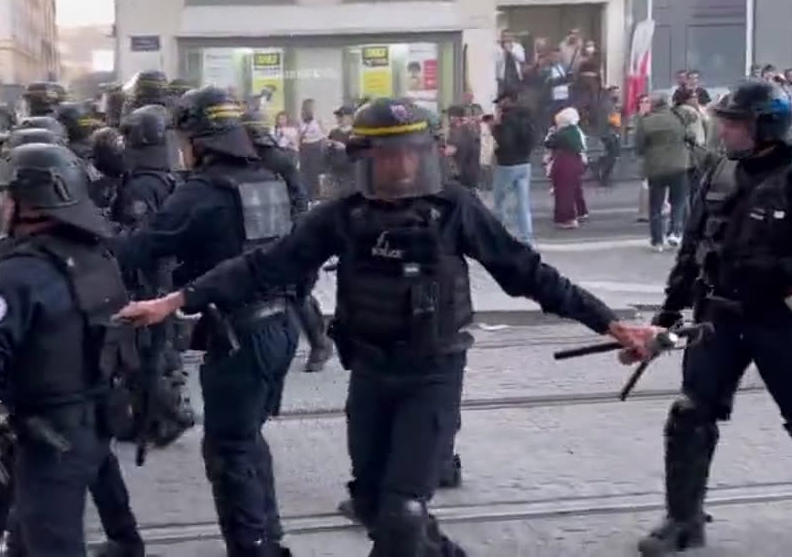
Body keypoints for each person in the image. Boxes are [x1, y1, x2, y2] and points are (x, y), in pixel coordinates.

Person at [119, 96, 661, 557]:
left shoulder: (454, 208)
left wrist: (610, 324)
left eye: (412, 154)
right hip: (372, 376)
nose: (401, 168)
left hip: (434, 373)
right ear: (364, 159)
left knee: (402, 513)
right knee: (376, 508)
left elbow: (528, 274)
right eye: (387, 156)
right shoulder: (345, 214)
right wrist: (179, 298)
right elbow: (266, 265)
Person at [636, 80, 792, 555]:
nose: (725, 131)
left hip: (784, 320)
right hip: (717, 318)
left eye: (735, 123)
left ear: (766, 126)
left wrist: (782, 272)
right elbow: (692, 248)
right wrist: (669, 310)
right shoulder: (718, 172)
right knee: (690, 414)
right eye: (724, 121)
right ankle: (683, 520)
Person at [112, 87, 299, 557]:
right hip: (279, 326)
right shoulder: (266, 178)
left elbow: (141, 247)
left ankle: (253, 549)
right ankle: (268, 540)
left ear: (199, 140)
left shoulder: (202, 193)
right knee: (247, 440)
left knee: (228, 451)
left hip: (240, 336)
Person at [0, 142, 143, 555]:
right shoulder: (98, 255)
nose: (3, 206)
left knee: (51, 544)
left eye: (9, 197)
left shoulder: (18, 274)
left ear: (33, 203)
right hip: (97, 418)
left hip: (50, 436)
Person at [107, 104, 196, 447]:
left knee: (147, 355)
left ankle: (173, 415)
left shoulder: (142, 185)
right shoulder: (166, 176)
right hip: (164, 274)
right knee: (156, 349)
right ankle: (151, 419)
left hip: (147, 278)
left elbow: (138, 237)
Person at [243, 108, 333, 373]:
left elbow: (298, 198)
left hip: (284, 233)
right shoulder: (254, 159)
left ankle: (319, 342)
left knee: (296, 292)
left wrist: (293, 230)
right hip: (262, 232)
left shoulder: (276, 160)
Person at [635, 94, 691, 251]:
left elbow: (639, 146)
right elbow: (688, 136)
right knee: (678, 202)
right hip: (679, 165)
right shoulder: (677, 118)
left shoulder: (646, 121)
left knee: (656, 206)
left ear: (653, 105)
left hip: (656, 167)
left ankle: (657, 240)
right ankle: (675, 232)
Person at [490, 89, 535, 245]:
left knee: (499, 201)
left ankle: (497, 236)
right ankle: (527, 239)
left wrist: (495, 128)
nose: (498, 106)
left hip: (507, 164)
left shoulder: (507, 118)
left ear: (507, 100)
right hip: (525, 163)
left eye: (500, 101)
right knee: (523, 203)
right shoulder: (527, 115)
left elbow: (505, 142)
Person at [544, 106, 587, 229]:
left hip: (564, 163)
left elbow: (549, 143)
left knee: (563, 193)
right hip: (574, 163)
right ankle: (570, 215)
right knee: (571, 191)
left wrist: (554, 133)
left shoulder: (563, 133)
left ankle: (568, 218)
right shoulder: (575, 131)